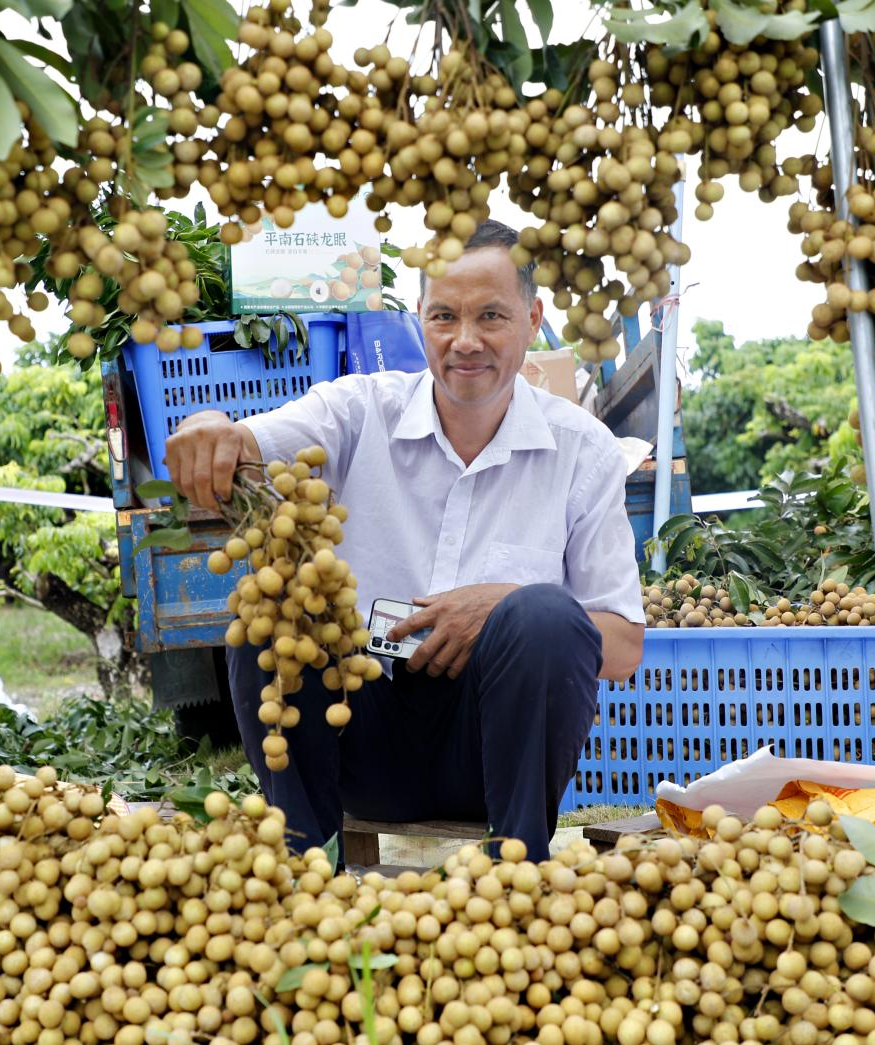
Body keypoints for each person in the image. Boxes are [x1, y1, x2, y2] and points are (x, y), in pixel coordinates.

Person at [163, 219, 644, 860]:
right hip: (361, 736)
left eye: (491, 317)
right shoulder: (358, 410)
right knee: (272, 606)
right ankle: (302, 867)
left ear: (532, 318)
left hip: (490, 756)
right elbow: (250, 440)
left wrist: (503, 607)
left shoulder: (583, 451)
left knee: (546, 614)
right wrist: (207, 423)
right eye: (444, 316)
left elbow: (621, 645)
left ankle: (520, 873)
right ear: (418, 316)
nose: (465, 341)